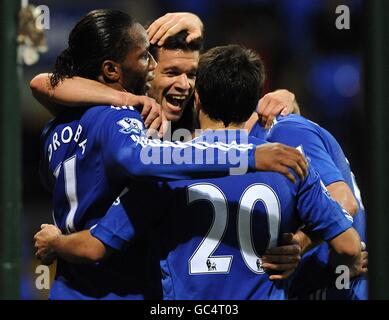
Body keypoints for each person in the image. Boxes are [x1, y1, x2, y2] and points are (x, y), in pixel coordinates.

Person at [33, 9, 308, 300]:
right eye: (168, 71)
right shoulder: (121, 121)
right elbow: (140, 160)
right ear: (130, 72)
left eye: (192, 75)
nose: (185, 85)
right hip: (123, 289)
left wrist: (300, 243)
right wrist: (249, 156)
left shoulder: (58, 125)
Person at [247, 111, 367, 300]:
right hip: (310, 284)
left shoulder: (284, 132)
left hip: (337, 288)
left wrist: (298, 245)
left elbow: (344, 203)